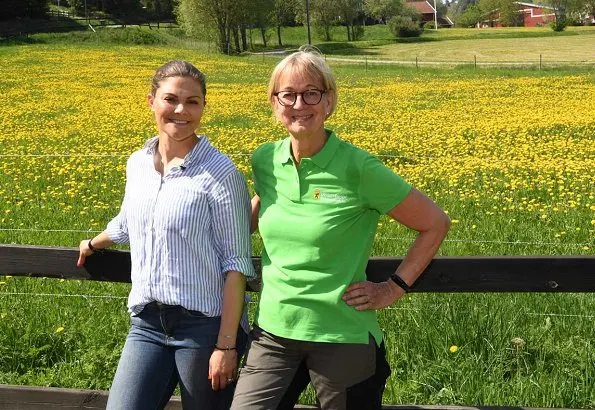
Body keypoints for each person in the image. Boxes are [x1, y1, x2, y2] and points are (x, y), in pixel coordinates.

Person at [231, 46, 451, 410]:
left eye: (311, 93)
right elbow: (263, 206)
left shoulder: (359, 168)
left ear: (329, 102)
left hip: (342, 334)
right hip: (273, 331)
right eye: (288, 94)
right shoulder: (265, 161)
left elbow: (435, 223)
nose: (299, 104)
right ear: (275, 103)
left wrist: (393, 288)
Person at [77, 60, 256, 410]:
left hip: (204, 328)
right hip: (147, 323)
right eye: (171, 99)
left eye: (193, 102)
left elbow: (236, 264)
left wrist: (226, 346)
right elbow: (129, 221)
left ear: (204, 106)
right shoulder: (138, 163)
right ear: (151, 101)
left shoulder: (221, 174)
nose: (181, 110)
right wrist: (94, 242)